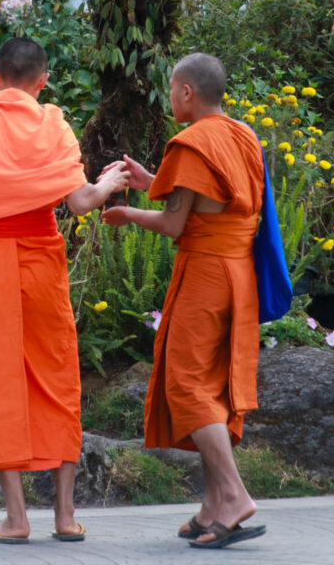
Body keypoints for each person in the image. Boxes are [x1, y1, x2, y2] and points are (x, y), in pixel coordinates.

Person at [0, 37, 130, 543]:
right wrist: (110, 183)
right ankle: (65, 516)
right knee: (56, 377)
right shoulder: (50, 123)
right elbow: (79, 203)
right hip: (39, 265)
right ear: (43, 80)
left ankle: (15, 518)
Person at [102, 53, 266, 550]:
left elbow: (175, 223)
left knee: (187, 382)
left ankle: (236, 496)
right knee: (211, 384)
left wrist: (127, 213)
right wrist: (153, 181)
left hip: (206, 274)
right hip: (238, 273)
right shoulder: (242, 135)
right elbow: (209, 202)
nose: (170, 98)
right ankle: (212, 508)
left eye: (171, 91)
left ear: (186, 92)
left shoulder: (192, 142)